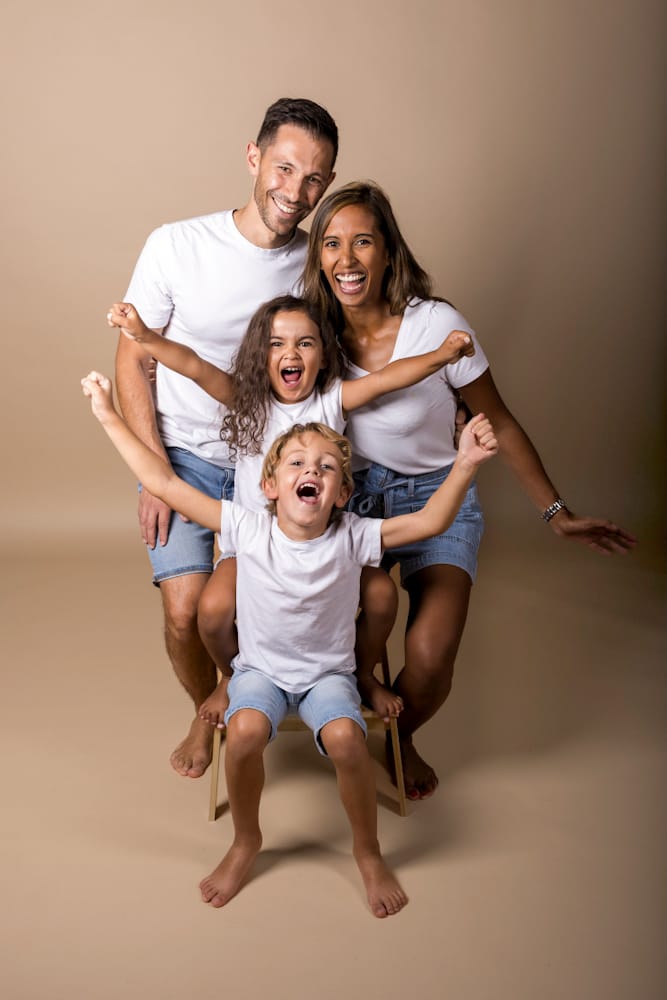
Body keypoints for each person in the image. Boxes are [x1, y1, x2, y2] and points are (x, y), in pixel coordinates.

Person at [81, 369, 498, 915]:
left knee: (348, 740)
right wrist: (109, 414)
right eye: (298, 464)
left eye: (326, 468)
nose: (313, 472)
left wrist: (464, 462)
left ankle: (367, 852)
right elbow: (164, 484)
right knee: (247, 729)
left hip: (329, 677)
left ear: (342, 493)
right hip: (261, 673)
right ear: (270, 486)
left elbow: (431, 520)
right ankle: (246, 842)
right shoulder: (247, 529)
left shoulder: (355, 534)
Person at [302, 180, 638, 801]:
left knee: (430, 657)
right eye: (331, 243)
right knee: (347, 628)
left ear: (387, 252)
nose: (346, 260)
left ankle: (400, 740)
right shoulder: (312, 334)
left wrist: (556, 513)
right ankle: (347, 708)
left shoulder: (438, 324)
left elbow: (499, 420)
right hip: (353, 500)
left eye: (362, 242)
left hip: (440, 493)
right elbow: (267, 404)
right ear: (318, 257)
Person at [107, 294, 475, 721]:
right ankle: (234, 674)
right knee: (211, 609)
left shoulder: (332, 399)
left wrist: (443, 354)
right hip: (252, 545)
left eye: (305, 343)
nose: (290, 353)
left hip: (324, 542)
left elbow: (390, 378)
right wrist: (144, 336)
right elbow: (193, 366)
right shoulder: (247, 400)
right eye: (276, 344)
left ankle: (361, 672)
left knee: (379, 594)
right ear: (258, 356)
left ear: (323, 355)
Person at [115, 98, 338, 779]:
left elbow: (355, 348)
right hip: (180, 451)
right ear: (252, 158)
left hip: (269, 459)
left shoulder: (315, 264)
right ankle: (206, 702)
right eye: (283, 168)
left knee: (269, 594)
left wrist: (444, 398)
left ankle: (264, 693)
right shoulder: (176, 244)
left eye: (313, 179)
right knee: (184, 611)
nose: (295, 192)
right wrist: (155, 471)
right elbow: (134, 357)